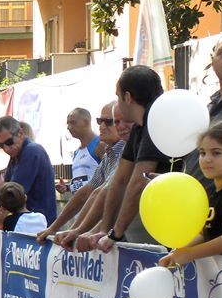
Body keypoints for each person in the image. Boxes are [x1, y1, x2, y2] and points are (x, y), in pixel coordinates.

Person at [88, 66, 170, 252]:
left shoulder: (156, 121)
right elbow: (120, 179)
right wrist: (104, 230)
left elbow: (138, 181)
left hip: (168, 225)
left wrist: (115, 233)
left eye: (117, 97)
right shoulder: (140, 127)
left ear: (127, 97)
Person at [37, 101, 130, 246]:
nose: (102, 126)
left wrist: (86, 230)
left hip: (118, 233)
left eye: (110, 122)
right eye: (100, 121)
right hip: (97, 228)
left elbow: (105, 191)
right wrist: (59, 228)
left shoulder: (115, 149)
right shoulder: (105, 153)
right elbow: (87, 191)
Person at [158, 121, 222, 267]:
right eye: (202, 153)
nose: (207, 159)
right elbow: (204, 235)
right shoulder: (212, 194)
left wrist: (189, 254)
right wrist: (176, 253)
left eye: (216, 153)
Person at [60, 108, 101, 195]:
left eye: (73, 122)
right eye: (68, 123)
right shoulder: (76, 153)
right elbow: (82, 181)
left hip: (96, 205)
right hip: (81, 207)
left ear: (86, 122)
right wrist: (67, 187)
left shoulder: (100, 145)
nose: (69, 127)